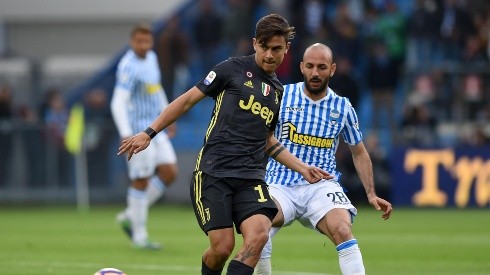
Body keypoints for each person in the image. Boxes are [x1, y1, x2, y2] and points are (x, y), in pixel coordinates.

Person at [117, 14, 330, 275]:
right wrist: (148, 133)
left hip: (251, 177)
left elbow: (268, 141)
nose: (270, 55)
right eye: (265, 47)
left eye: (277, 49)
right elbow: (186, 101)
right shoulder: (231, 69)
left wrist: (302, 168)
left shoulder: (278, 92)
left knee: (259, 235)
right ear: (254, 44)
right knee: (222, 248)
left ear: (287, 49)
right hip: (213, 173)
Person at [254, 43, 393, 275]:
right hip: (279, 183)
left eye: (321, 67)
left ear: (333, 69)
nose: (315, 73)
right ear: (301, 67)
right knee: (258, 225)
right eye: (310, 66)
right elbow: (261, 137)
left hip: (321, 186)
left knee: (342, 229)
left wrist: (371, 193)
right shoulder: (281, 95)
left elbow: (358, 151)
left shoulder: (343, 106)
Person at [110, 23, 178, 250]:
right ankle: (139, 236)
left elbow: (156, 88)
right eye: (139, 41)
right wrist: (126, 133)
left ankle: (131, 214)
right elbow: (118, 101)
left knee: (169, 172)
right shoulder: (128, 66)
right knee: (141, 180)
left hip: (155, 128)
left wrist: (168, 114)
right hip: (138, 132)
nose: (143, 45)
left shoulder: (151, 58)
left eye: (146, 41)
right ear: (132, 42)